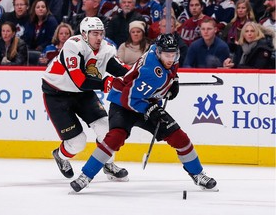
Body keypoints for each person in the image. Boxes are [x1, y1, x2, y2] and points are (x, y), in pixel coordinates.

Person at [70, 33, 218, 193]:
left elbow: (167, 72)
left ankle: (198, 174)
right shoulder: (150, 72)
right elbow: (130, 98)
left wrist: (173, 81)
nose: (170, 58)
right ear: (159, 53)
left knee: (179, 137)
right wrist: (150, 109)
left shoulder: (163, 54)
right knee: (115, 138)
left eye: (173, 54)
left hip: (146, 102)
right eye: (167, 55)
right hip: (123, 103)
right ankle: (85, 175)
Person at [42, 17, 130, 181]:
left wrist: (140, 78)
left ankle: (107, 164)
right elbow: (80, 81)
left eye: (101, 33)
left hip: (82, 93)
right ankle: (60, 155)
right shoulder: (73, 45)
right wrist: (105, 83)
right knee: (77, 142)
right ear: (84, 34)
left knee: (107, 129)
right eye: (94, 34)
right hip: (57, 93)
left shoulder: (107, 48)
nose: (99, 38)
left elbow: (119, 69)